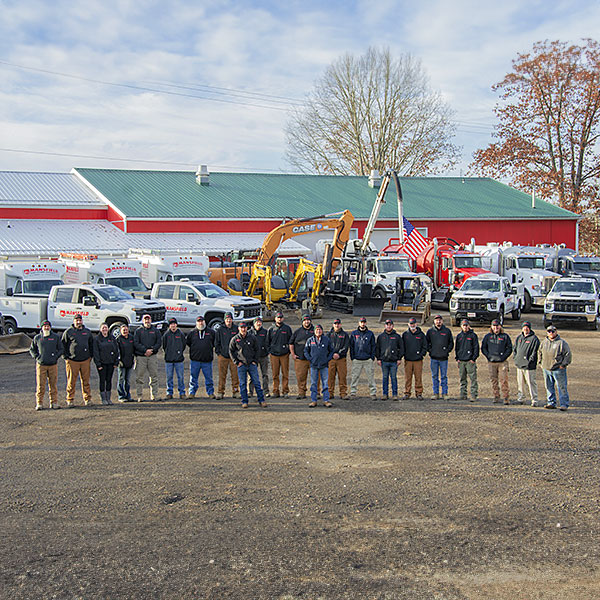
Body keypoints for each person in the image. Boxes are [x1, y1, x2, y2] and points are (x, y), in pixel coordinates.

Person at [229, 321, 267, 408]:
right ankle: (244, 401)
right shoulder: (235, 339)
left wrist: (255, 361)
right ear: (239, 329)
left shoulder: (252, 338)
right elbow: (231, 351)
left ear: (247, 328)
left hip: (251, 364)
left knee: (257, 382)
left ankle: (261, 400)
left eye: (244, 327)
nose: (243, 329)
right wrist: (237, 362)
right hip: (241, 365)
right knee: (242, 384)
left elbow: (257, 350)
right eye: (241, 327)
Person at [29, 320, 63, 410]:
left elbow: (60, 349)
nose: (46, 328)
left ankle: (54, 402)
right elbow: (32, 349)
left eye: (48, 326)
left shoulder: (55, 337)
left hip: (53, 365)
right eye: (45, 326)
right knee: (40, 385)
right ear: (42, 328)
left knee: (53, 385)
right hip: (41, 365)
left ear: (50, 327)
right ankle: (39, 403)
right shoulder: (37, 338)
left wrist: (55, 357)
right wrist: (37, 357)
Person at [61, 314, 94, 407]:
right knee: (71, 381)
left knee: (86, 381)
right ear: (73, 321)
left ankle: (87, 399)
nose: (78, 322)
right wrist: (66, 357)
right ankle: (70, 399)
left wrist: (90, 356)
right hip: (72, 361)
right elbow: (63, 345)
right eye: (77, 320)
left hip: (85, 360)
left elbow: (91, 344)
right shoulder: (69, 332)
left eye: (80, 320)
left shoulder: (87, 332)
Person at [539, 325, 572, 411]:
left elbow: (568, 355)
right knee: (549, 386)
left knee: (561, 387)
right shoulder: (544, 342)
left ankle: (564, 404)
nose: (551, 333)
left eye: (553, 331)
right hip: (546, 368)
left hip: (558, 369)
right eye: (549, 331)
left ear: (556, 332)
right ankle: (551, 403)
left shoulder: (561, 343)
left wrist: (563, 365)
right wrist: (541, 363)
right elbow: (539, 352)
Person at [481, 319, 513, 404]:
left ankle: (506, 397)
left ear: (500, 326)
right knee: (493, 380)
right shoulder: (488, 337)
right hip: (492, 362)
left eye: (497, 326)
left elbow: (509, 348)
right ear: (491, 327)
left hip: (502, 362)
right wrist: (488, 356)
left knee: (504, 380)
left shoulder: (505, 336)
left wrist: (504, 357)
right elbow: (483, 348)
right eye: (494, 326)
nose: (496, 328)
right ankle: (496, 396)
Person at [304, 323, 335, 408]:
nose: (318, 331)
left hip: (324, 365)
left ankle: (326, 400)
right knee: (314, 383)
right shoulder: (310, 340)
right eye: (317, 330)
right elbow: (306, 351)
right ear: (314, 331)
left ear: (322, 331)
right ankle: (314, 400)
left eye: (320, 329)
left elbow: (331, 351)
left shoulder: (326, 340)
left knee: (325, 383)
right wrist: (310, 359)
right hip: (314, 365)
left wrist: (327, 359)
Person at [133, 313, 162, 402]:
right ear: (142, 321)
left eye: (148, 319)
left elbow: (159, 342)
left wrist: (152, 350)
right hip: (141, 357)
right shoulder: (138, 331)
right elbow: (136, 343)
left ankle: (154, 395)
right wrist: (145, 350)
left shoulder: (156, 331)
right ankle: (139, 396)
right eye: (145, 319)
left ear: (151, 320)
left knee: (154, 377)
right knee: (139, 377)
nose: (147, 321)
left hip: (152, 357)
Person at [186, 315, 216, 399]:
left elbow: (214, 343)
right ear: (196, 323)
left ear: (204, 322)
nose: (201, 323)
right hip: (195, 360)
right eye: (199, 321)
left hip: (207, 360)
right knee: (193, 378)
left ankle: (210, 393)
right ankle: (192, 393)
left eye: (202, 321)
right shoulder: (192, 333)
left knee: (209, 378)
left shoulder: (211, 332)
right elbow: (188, 343)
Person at [426, 314, 454, 400]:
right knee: (434, 376)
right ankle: (435, 393)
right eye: (436, 320)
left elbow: (451, 343)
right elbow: (426, 343)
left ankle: (445, 393)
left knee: (444, 377)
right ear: (434, 321)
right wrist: (431, 351)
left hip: (443, 359)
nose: (438, 321)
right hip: (434, 358)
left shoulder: (447, 331)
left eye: (440, 320)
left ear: (442, 321)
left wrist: (446, 351)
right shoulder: (430, 331)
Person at [512, 321, 540, 407]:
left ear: (530, 328)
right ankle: (521, 399)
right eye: (524, 327)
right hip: (519, 365)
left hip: (529, 367)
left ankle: (534, 400)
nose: (525, 329)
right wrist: (516, 359)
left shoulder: (534, 339)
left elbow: (534, 352)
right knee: (520, 383)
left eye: (527, 327)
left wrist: (529, 361)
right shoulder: (519, 338)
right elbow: (515, 349)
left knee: (531, 383)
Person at [375, 319, 404, 401]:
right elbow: (377, 348)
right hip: (384, 361)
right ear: (385, 326)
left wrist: (399, 358)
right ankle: (385, 394)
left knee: (394, 378)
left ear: (393, 326)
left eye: (390, 325)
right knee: (385, 378)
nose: (389, 326)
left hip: (394, 362)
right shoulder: (381, 337)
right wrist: (378, 358)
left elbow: (401, 348)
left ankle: (395, 394)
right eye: (387, 325)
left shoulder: (397, 336)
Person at [349, 317, 377, 399]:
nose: (363, 324)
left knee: (370, 377)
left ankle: (373, 393)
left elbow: (373, 346)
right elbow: (351, 346)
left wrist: (372, 357)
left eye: (364, 322)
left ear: (366, 323)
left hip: (368, 359)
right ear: (359, 323)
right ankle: (353, 392)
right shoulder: (354, 334)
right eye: (361, 322)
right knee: (354, 376)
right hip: (357, 359)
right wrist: (353, 357)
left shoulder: (370, 334)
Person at [267, 311, 292, 398]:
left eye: (281, 317)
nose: (279, 319)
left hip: (284, 354)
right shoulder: (271, 329)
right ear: (275, 318)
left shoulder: (287, 328)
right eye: (278, 317)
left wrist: (288, 351)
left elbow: (290, 341)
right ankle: (275, 391)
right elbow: (268, 342)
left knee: (285, 373)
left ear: (283, 318)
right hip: (274, 355)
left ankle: (285, 391)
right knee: (275, 374)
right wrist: (270, 351)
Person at [93, 322, 119, 405]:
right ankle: (103, 398)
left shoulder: (112, 338)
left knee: (109, 380)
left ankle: (108, 398)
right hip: (102, 364)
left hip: (111, 363)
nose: (104, 329)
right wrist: (98, 364)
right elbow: (96, 352)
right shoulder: (97, 339)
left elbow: (116, 350)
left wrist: (116, 362)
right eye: (103, 328)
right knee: (102, 380)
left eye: (106, 328)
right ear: (100, 329)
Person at [214, 312, 239, 399]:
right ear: (224, 320)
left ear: (232, 320)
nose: (228, 321)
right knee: (222, 375)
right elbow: (216, 343)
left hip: (234, 357)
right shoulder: (220, 330)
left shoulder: (236, 329)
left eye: (230, 319)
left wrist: (237, 354)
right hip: (223, 356)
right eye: (227, 319)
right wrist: (219, 353)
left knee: (235, 375)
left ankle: (235, 391)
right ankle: (220, 392)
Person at [402, 317, 428, 400]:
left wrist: (421, 355)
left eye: (413, 323)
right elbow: (402, 347)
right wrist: (404, 355)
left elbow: (425, 346)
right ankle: (407, 392)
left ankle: (419, 393)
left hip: (418, 360)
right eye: (411, 324)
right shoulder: (405, 334)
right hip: (408, 360)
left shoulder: (421, 334)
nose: (412, 325)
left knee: (418, 377)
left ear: (416, 324)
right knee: (407, 377)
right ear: (408, 324)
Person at [290, 314, 315, 399]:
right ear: (302, 321)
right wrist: (293, 354)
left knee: (315, 377)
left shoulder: (315, 330)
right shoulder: (297, 332)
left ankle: (316, 393)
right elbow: (291, 343)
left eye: (308, 320)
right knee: (301, 377)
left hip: (313, 359)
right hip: (300, 358)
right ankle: (301, 392)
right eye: (305, 320)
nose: (306, 322)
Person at [455, 319, 479, 402]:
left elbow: (476, 348)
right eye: (463, 325)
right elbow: (456, 348)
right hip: (461, 361)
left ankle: (473, 395)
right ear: (461, 326)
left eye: (466, 325)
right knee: (462, 379)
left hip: (470, 361)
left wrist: (473, 358)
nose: (465, 327)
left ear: (469, 326)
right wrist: (457, 358)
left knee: (473, 379)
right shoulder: (459, 336)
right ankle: (463, 394)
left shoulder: (473, 336)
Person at [162, 317, 187, 400]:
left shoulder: (180, 334)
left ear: (176, 324)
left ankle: (182, 393)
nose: (173, 325)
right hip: (169, 360)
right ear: (169, 325)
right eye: (171, 324)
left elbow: (184, 345)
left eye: (174, 324)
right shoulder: (166, 335)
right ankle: (169, 393)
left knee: (180, 377)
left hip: (179, 360)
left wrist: (179, 352)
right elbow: (164, 345)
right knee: (169, 377)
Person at [328, 318, 350, 400]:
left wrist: (339, 354)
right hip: (331, 359)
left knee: (342, 376)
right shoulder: (329, 335)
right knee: (330, 377)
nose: (337, 325)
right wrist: (332, 354)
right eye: (335, 324)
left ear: (340, 325)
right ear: (333, 325)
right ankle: (330, 392)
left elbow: (346, 346)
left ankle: (343, 393)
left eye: (338, 324)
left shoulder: (345, 335)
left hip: (341, 359)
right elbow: (327, 346)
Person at [249, 316, 270, 397]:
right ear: (254, 324)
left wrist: (267, 351)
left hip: (263, 356)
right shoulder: (250, 333)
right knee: (251, 375)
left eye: (260, 322)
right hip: (253, 357)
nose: (258, 323)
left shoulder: (265, 332)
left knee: (265, 374)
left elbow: (268, 342)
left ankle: (266, 391)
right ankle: (250, 391)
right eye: (257, 322)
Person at [116, 323, 135, 402]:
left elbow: (134, 349)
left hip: (130, 362)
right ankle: (121, 396)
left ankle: (128, 395)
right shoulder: (118, 339)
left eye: (126, 330)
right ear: (120, 331)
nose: (125, 331)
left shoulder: (131, 338)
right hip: (122, 363)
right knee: (121, 379)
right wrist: (118, 361)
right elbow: (117, 351)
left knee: (128, 380)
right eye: (123, 330)